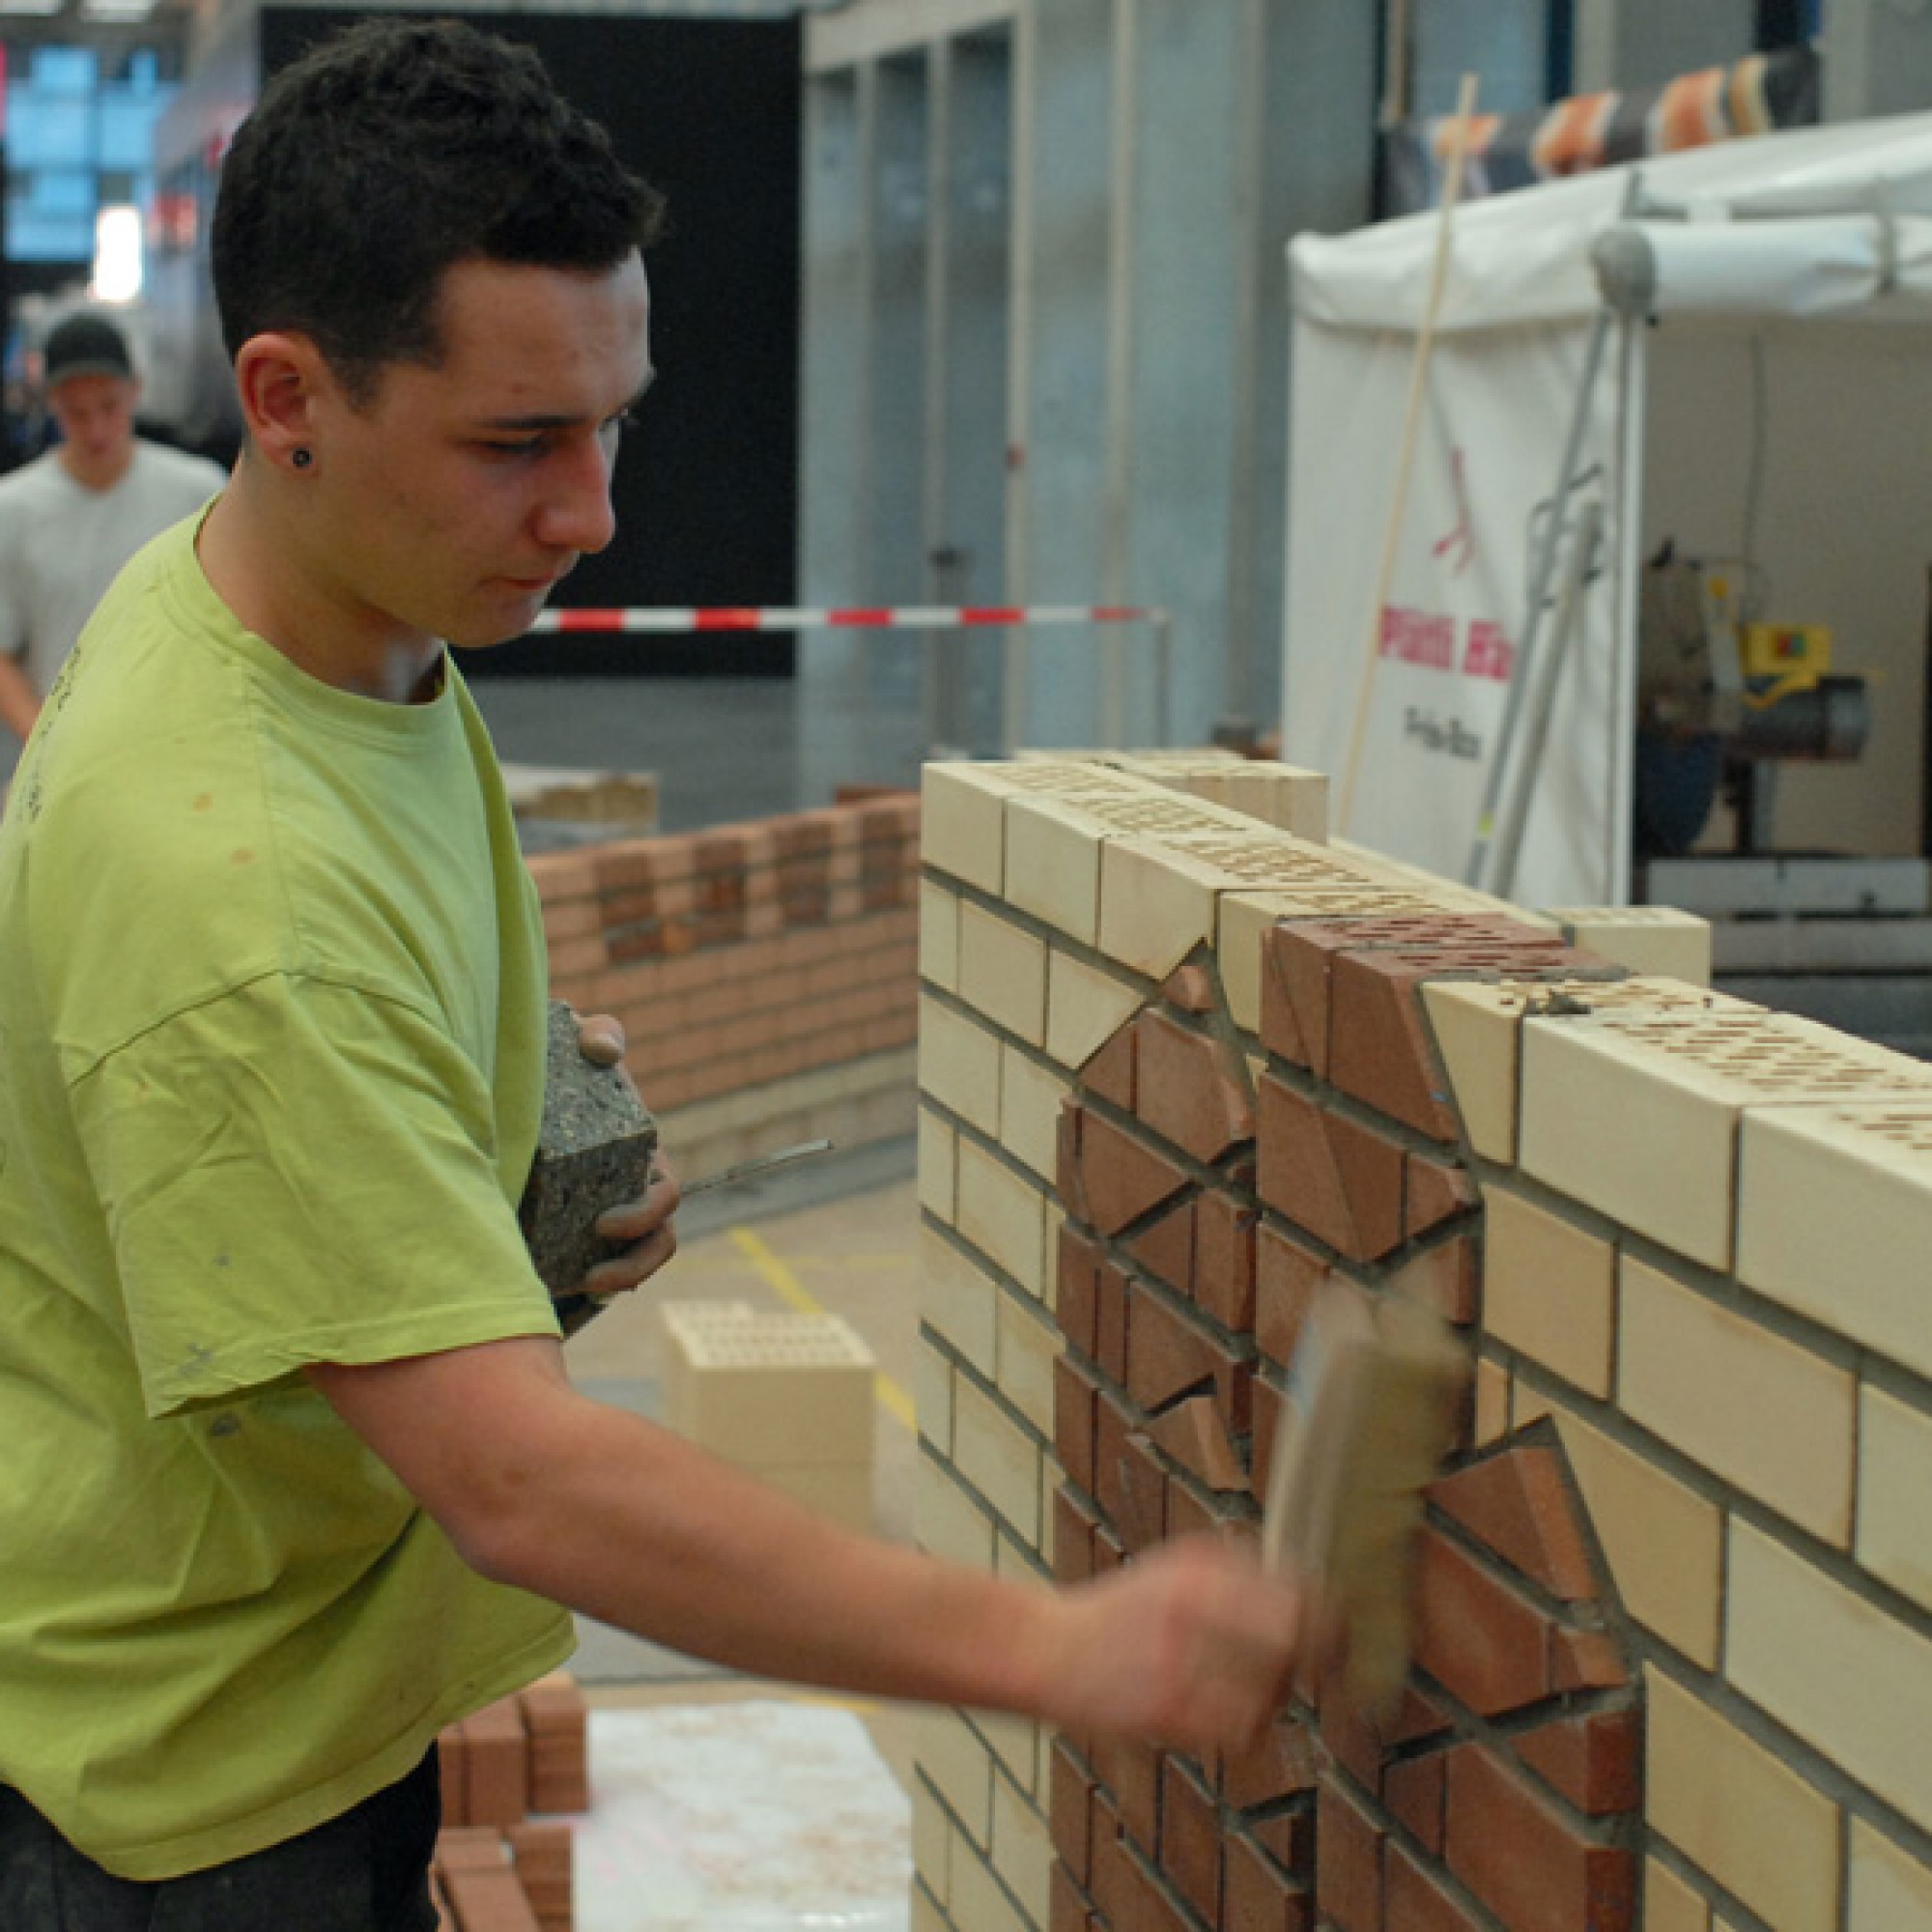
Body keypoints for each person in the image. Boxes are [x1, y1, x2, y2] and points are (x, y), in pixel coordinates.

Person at [0, 21, 1315, 1930]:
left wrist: (505, 1120)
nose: (592, 511)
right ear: (286, 394)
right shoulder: (233, 887)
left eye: (610, 420)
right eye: (517, 443)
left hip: (290, 1671)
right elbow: (529, 1488)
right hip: (202, 1800)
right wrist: (1062, 1652)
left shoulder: (302, 606)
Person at [0, 312, 227, 743]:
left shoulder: (198, 493)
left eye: (109, 406)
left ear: (135, 391)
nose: (96, 429)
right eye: (76, 413)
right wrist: (44, 742)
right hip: (65, 745)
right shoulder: (12, 508)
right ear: (52, 404)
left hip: (180, 741)